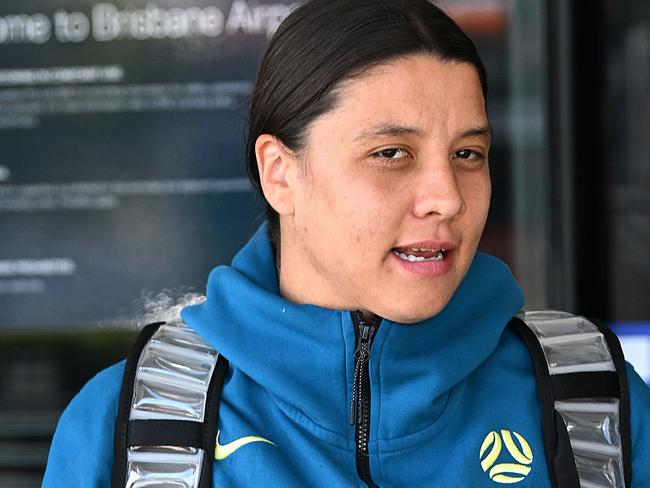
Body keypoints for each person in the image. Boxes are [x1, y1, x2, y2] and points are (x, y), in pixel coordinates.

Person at [43, 0, 650, 486]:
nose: (448, 197)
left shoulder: (594, 403)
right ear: (280, 173)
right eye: (391, 153)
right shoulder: (138, 429)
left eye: (468, 154)